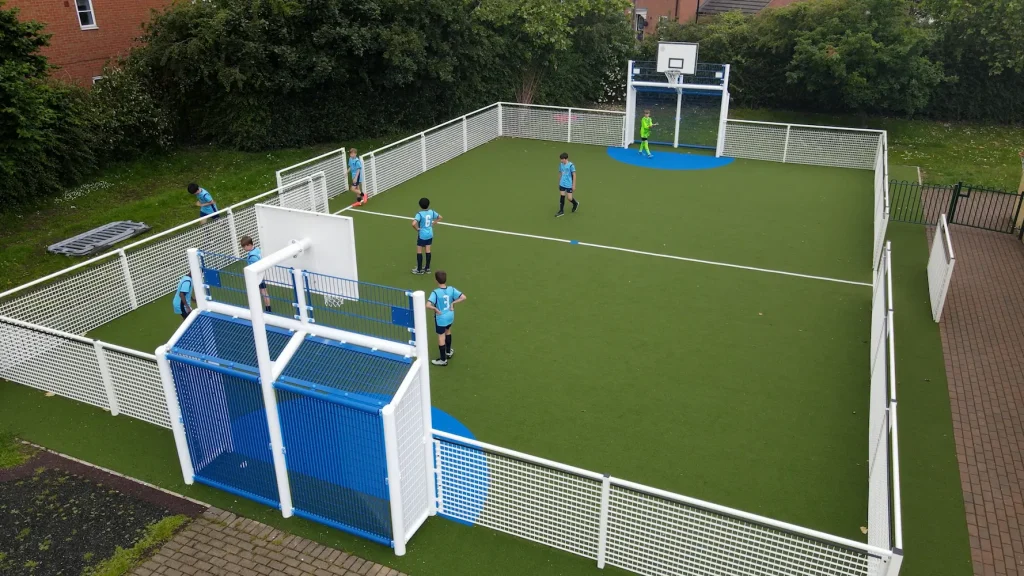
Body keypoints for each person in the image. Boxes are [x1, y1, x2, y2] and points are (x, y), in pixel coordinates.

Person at [425, 270, 466, 366]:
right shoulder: (451, 289)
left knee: (441, 336)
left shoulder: (435, 292)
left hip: (441, 318)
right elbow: (463, 297)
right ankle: (448, 352)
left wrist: (435, 309)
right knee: (448, 331)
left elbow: (427, 305)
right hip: (450, 316)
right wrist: (453, 303)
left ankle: (443, 360)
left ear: (436, 280)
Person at [240, 235, 272, 313]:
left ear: (249, 245)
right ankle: (268, 309)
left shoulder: (252, 257)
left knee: (255, 293)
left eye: (244, 246)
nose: (243, 248)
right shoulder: (257, 250)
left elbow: (253, 267)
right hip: (261, 275)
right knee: (264, 292)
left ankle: (256, 309)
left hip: (255, 277)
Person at [411, 197, 441, 274]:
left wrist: (417, 229)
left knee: (419, 251)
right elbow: (440, 217)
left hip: (422, 235)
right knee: (428, 250)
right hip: (430, 234)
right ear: (428, 205)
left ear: (420, 205)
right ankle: (427, 268)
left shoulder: (419, 214)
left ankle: (419, 269)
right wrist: (434, 223)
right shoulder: (432, 212)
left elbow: (413, 224)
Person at [555, 152, 579, 218]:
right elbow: (560, 173)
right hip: (562, 183)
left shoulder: (571, 165)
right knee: (562, 196)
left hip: (569, 184)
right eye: (561, 159)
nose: (561, 160)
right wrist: (559, 182)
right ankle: (561, 211)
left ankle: (575, 203)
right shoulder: (561, 164)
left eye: (562, 159)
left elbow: (574, 175)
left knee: (569, 198)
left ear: (566, 159)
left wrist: (573, 185)